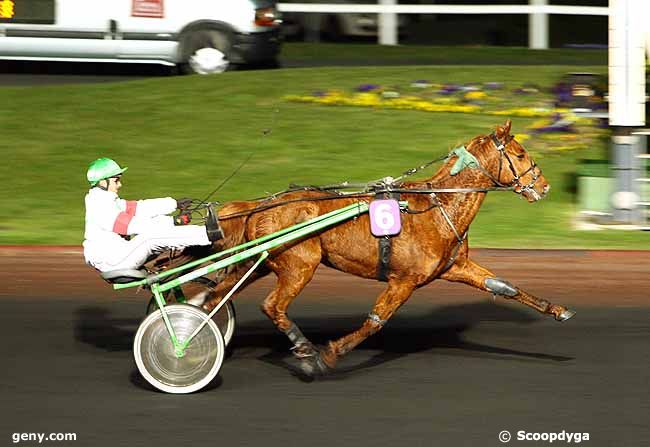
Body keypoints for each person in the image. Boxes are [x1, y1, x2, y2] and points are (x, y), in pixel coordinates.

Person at [83, 157, 221, 273]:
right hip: (111, 260)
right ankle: (207, 234)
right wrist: (174, 221)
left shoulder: (107, 200)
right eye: (116, 180)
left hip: (117, 254)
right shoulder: (99, 204)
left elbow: (140, 208)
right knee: (149, 238)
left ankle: (199, 238)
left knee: (152, 231)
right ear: (103, 182)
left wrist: (174, 204)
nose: (120, 185)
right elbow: (133, 225)